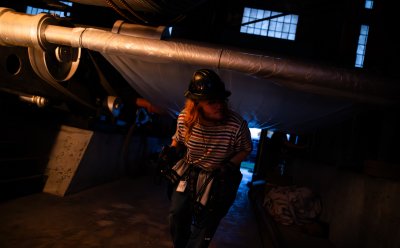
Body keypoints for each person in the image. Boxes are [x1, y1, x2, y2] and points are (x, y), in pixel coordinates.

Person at [159, 68, 253, 248]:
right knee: (177, 213)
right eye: (212, 102)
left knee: (206, 222)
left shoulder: (236, 125)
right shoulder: (185, 119)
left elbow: (245, 149)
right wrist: (170, 152)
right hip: (189, 172)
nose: (220, 105)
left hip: (217, 176)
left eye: (221, 100)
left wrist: (229, 165)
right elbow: (177, 139)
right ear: (197, 104)